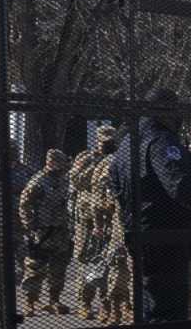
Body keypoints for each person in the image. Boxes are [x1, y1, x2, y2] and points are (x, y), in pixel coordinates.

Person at [110, 87, 191, 322]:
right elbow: (181, 186)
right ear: (166, 111)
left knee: (150, 304)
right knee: (169, 309)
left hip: (139, 232)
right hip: (165, 237)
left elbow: (115, 184)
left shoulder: (127, 143)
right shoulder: (161, 140)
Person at [70, 125, 119, 320]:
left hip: (110, 218)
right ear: (97, 140)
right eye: (103, 141)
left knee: (109, 262)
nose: (107, 144)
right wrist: (95, 167)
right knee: (86, 260)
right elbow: (75, 180)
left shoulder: (116, 158)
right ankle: (85, 303)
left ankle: (106, 305)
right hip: (87, 219)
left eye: (110, 141)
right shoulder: (86, 157)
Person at [19, 149, 73, 317]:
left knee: (59, 267)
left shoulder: (64, 180)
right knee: (35, 267)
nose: (63, 166)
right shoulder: (38, 181)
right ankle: (30, 303)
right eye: (60, 162)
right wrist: (30, 224)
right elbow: (24, 204)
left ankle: (54, 300)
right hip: (43, 230)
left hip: (61, 230)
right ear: (51, 163)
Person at [94, 154, 133, 325]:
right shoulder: (114, 164)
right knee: (118, 268)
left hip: (144, 222)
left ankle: (132, 310)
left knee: (140, 270)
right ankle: (115, 310)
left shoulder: (151, 157)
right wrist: (99, 224)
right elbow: (101, 200)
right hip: (121, 226)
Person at [6, 140, 36, 282]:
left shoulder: (25, 170)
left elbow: (34, 187)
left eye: (15, 150)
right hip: (3, 213)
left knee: (21, 243)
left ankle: (25, 271)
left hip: (20, 212)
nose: (13, 153)